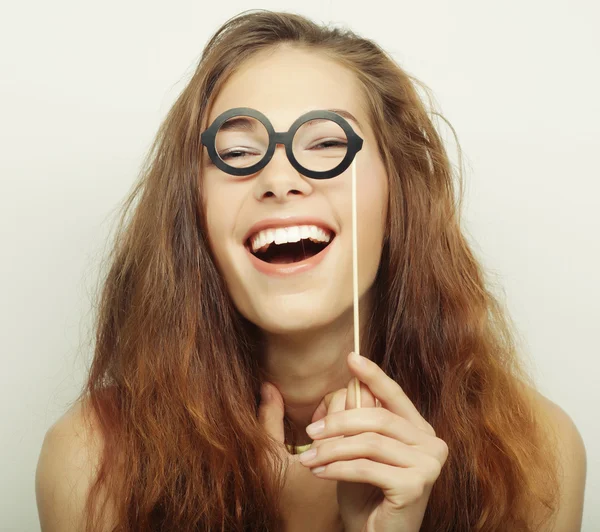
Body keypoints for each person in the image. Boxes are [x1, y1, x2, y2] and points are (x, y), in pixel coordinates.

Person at [35, 9, 586, 532]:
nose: (279, 179)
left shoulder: (537, 453)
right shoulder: (92, 459)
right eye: (237, 150)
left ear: (400, 193)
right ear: (192, 211)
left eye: (326, 143)